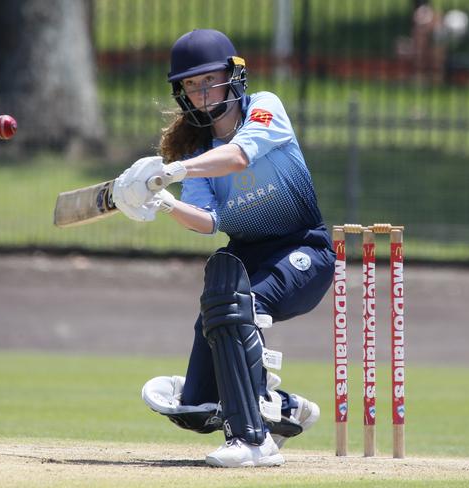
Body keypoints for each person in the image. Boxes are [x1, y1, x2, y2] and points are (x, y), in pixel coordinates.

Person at [112, 29, 335, 468]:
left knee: (238, 301)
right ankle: (278, 405)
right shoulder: (198, 153)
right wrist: (165, 203)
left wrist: (169, 171)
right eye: (191, 86)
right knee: (197, 408)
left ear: (234, 77)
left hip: (304, 251)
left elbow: (239, 157)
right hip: (247, 257)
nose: (200, 92)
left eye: (208, 80)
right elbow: (209, 223)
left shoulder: (264, 108)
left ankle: (253, 441)